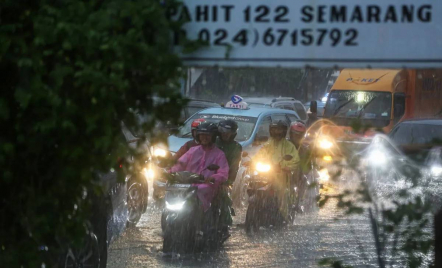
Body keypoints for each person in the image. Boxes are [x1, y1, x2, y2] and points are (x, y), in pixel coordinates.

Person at [170, 122, 229, 212]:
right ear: (198, 136)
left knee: (199, 190)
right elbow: (180, 164)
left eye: (207, 135)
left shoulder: (219, 154)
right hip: (188, 184)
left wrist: (213, 178)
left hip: (207, 186)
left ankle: (200, 213)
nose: (204, 138)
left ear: (213, 137)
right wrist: (170, 173)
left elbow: (223, 173)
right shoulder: (193, 150)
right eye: (202, 135)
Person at [253, 120, 300, 222]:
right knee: (253, 186)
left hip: (282, 176)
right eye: (275, 129)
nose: (277, 132)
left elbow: (294, 160)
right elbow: (258, 157)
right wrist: (252, 163)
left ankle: (284, 215)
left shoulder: (289, 146)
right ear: (271, 131)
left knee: (282, 195)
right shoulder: (267, 145)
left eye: (280, 129)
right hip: (266, 175)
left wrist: (284, 167)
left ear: (284, 131)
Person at [215, 119, 242, 227]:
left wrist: (228, 182)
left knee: (224, 200)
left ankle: (224, 224)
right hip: (206, 177)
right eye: (222, 130)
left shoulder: (236, 147)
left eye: (228, 132)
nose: (224, 134)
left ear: (233, 133)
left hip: (224, 180)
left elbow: (234, 166)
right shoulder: (213, 142)